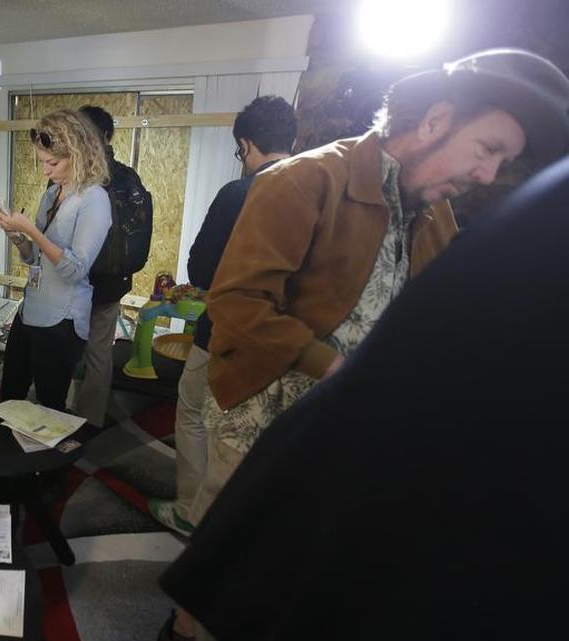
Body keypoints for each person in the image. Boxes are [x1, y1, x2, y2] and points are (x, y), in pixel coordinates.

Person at [160, 47, 569, 641]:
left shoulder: (436, 215)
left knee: (291, 578)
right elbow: (236, 304)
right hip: (259, 420)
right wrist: (340, 372)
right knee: (224, 572)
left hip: (345, 435)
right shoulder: (302, 180)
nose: (487, 174)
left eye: (502, 161)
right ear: (433, 122)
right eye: (487, 150)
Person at [148, 95, 297, 537]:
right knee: (249, 430)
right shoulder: (317, 191)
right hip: (283, 341)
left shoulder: (239, 193)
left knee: (195, 413)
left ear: (246, 145)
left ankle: (193, 514)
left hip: (226, 333)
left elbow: (202, 269)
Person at [0, 109, 112, 412]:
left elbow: (75, 270)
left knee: (49, 405)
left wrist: (31, 229)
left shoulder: (94, 199)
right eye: (42, 161)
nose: (45, 171)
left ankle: (49, 457)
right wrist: (16, 235)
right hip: (31, 308)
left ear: (79, 154)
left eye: (52, 163)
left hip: (62, 319)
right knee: (11, 392)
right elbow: (35, 259)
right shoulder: (52, 194)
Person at [72, 105, 154, 429]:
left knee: (66, 348)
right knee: (99, 351)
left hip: (76, 281)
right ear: (109, 135)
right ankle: (91, 418)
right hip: (113, 281)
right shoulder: (128, 177)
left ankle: (58, 418)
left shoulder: (77, 177)